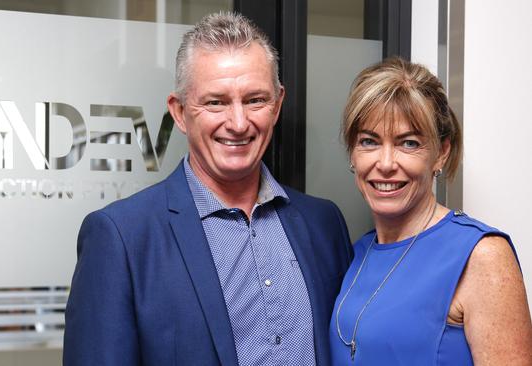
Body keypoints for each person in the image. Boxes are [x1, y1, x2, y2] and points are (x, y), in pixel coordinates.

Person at [63, 12, 352, 366]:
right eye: (216, 102)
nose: (239, 122)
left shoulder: (324, 224)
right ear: (180, 112)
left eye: (255, 100)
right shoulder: (122, 238)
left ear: (277, 105)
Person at [329, 57, 532, 365]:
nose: (385, 164)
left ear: (441, 153)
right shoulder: (359, 253)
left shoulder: (481, 255)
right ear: (353, 153)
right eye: (369, 141)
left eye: (408, 143)